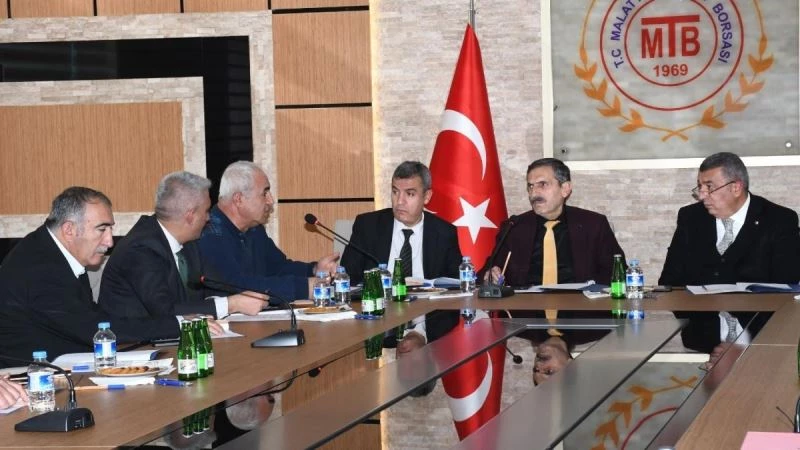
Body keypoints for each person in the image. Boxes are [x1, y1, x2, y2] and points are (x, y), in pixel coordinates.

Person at [0, 187, 181, 364]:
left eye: (110, 230)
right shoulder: (40, 267)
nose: (109, 242)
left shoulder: (55, 251)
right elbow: (92, 329)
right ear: (69, 230)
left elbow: (95, 319)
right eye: (102, 229)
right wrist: (180, 324)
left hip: (63, 363)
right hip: (27, 375)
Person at [659, 152, 800, 355]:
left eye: (709, 187)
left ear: (736, 187)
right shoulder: (691, 218)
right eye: (700, 187)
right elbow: (670, 281)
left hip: (764, 341)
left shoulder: (779, 220)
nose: (702, 195)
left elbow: (787, 287)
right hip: (703, 339)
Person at [100, 171, 267, 319]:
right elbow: (165, 311)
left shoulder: (189, 243)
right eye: (206, 211)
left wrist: (241, 299)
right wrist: (231, 305)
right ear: (190, 215)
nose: (208, 218)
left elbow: (215, 288)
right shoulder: (140, 250)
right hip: (134, 342)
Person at [341, 161, 462, 354]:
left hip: (424, 324)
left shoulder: (444, 233)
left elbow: (456, 291)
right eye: (395, 192)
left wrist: (423, 335)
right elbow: (348, 281)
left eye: (410, 194)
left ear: (427, 197)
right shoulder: (368, 226)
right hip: (375, 325)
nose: (399, 201)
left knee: (416, 362)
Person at [198, 161, 339, 302]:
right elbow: (236, 286)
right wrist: (304, 288)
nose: (271, 201)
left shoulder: (254, 229)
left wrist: (314, 270)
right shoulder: (209, 233)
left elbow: (278, 268)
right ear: (239, 199)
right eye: (264, 193)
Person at [482, 158, 625, 286]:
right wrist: (490, 275)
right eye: (530, 186)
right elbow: (486, 273)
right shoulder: (514, 227)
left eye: (542, 184)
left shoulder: (593, 225)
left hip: (579, 305)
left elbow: (619, 273)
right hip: (526, 306)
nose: (534, 193)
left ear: (565, 189)